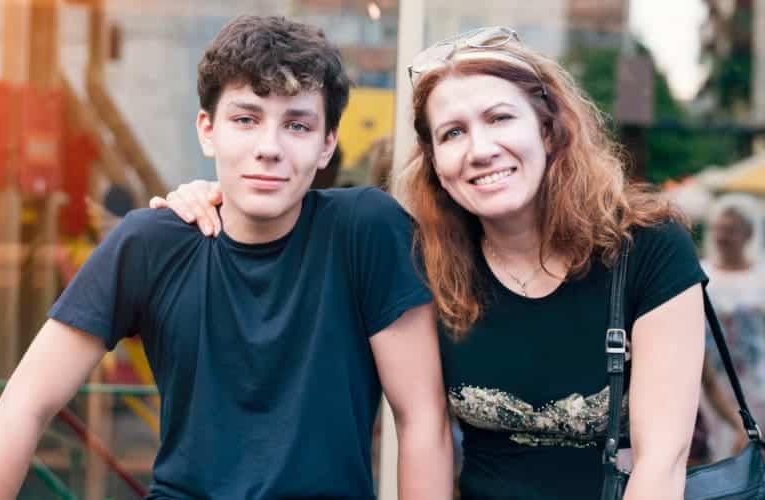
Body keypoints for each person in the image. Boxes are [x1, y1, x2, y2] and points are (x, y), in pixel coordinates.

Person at [154, 26, 708, 499]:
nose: (480, 148)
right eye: (453, 133)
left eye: (499, 119)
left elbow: (664, 459)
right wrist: (210, 198)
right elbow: (283, 226)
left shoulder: (648, 248)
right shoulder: (422, 257)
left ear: (548, 128)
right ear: (436, 162)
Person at [0, 16, 452, 500]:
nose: (269, 148)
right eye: (245, 119)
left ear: (327, 144)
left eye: (297, 125)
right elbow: (23, 404)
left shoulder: (366, 231)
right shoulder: (151, 243)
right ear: (207, 129)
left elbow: (421, 418)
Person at [700, 195, 765, 460]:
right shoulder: (701, 273)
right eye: (718, 229)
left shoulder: (760, 276)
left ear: (748, 233)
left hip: (757, 381)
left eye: (730, 230)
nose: (722, 237)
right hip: (711, 381)